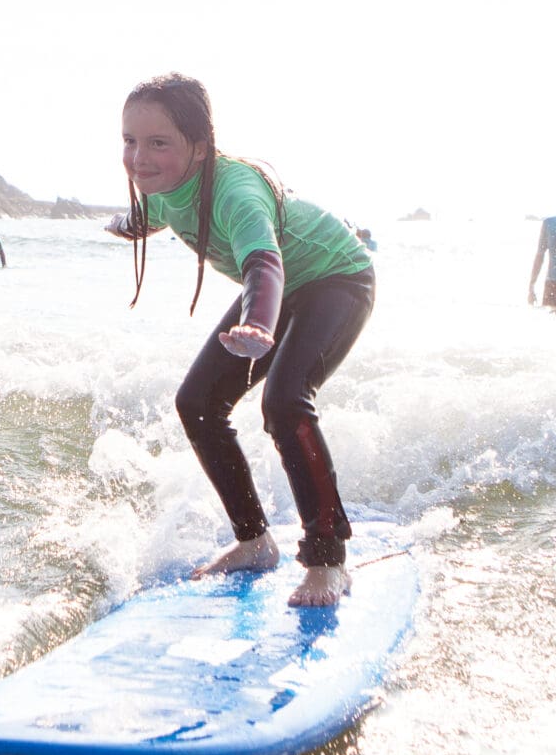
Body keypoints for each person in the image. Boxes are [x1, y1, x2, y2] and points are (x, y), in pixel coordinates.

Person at [110, 73, 375, 609]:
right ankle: (254, 540)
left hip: (336, 277)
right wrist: (126, 225)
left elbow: (264, 262)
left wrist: (258, 321)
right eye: (130, 141)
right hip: (282, 289)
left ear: (200, 147)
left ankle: (328, 560)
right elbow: (154, 215)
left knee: (285, 400)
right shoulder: (165, 187)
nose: (139, 157)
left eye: (158, 142)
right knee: (198, 402)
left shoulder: (235, 192)